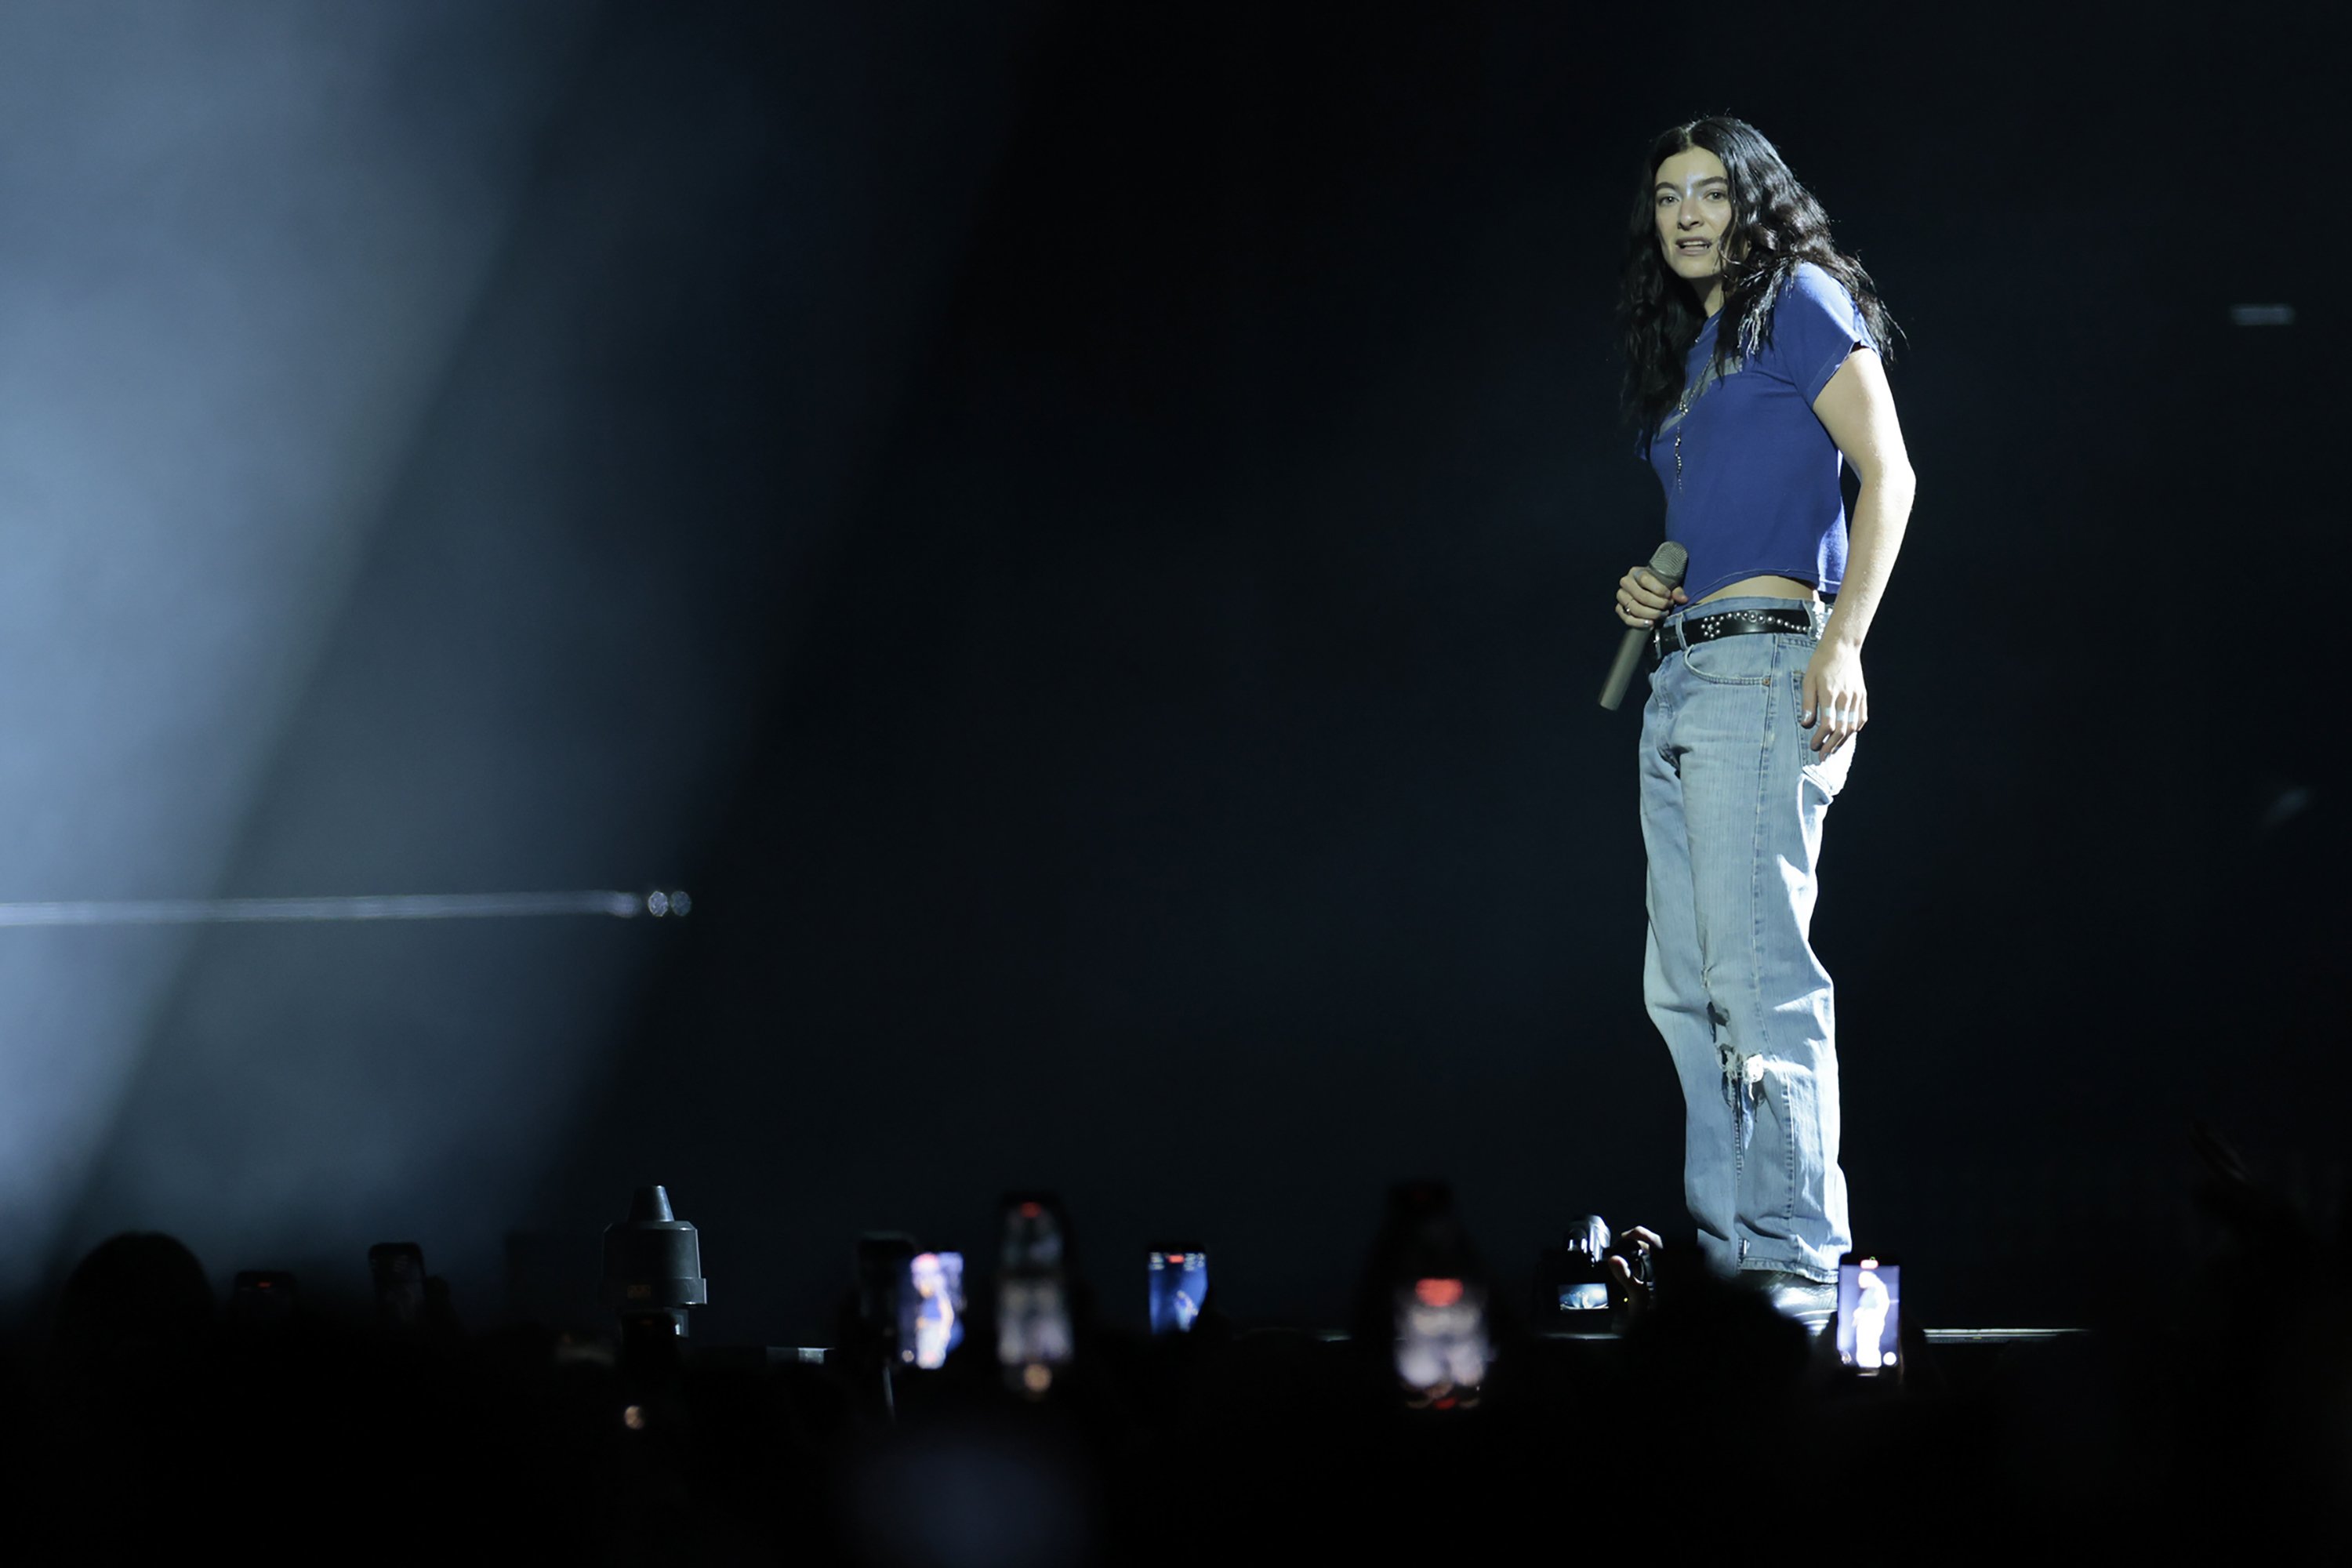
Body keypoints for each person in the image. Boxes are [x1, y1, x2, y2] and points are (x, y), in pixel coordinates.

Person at [1611, 116, 1915, 1330]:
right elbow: (1730, 521)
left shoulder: (1798, 298)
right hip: (1683, 674)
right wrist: (1651, 588)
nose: (1686, 214)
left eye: (1711, 192)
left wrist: (1843, 638)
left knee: (1757, 974)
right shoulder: (1700, 359)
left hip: (1763, 672)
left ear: (1755, 203)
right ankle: (1733, 1265)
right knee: (1683, 984)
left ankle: (1792, 1267)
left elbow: (1888, 472)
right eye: (1667, 195)